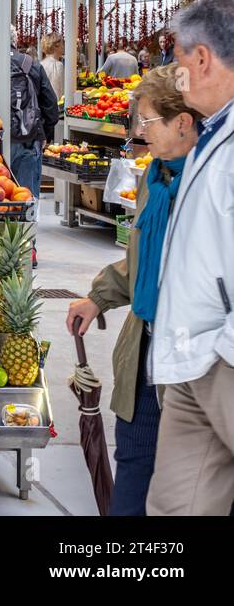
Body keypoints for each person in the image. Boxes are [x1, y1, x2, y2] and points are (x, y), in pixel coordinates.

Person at [66, 65, 200, 515]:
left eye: (145, 121)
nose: (139, 133)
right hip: (144, 345)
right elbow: (144, 259)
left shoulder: (211, 185)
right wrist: (99, 295)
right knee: (134, 461)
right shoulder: (153, 179)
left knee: (194, 477)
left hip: (194, 356)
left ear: (182, 123)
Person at [144, 0, 234, 516]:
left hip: (222, 356)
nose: (175, 72)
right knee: (177, 504)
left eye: (176, 58)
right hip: (190, 356)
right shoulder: (209, 135)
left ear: (200, 58)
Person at [0, 26, 59, 200]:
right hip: (28, 138)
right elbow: (51, 106)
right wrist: (43, 133)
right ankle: (27, 227)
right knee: (25, 197)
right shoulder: (31, 65)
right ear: (15, 40)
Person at [39, 33, 65, 99]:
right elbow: (57, 92)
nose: (63, 46)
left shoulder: (41, 64)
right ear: (56, 45)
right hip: (53, 106)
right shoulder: (57, 65)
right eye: (62, 43)